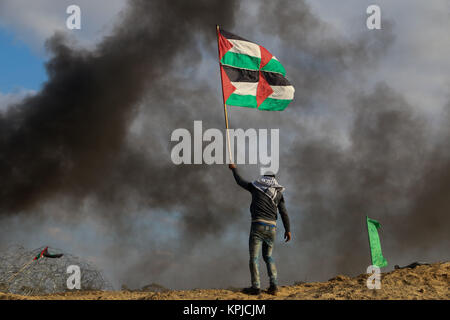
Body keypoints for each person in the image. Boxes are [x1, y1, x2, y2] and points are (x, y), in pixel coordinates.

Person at [228, 163, 291, 295]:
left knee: (254, 258)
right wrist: (288, 230)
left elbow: (240, 181)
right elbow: (284, 212)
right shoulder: (278, 193)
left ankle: (256, 287)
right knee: (268, 256)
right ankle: (274, 286)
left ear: (263, 176)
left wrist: (234, 170)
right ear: (274, 178)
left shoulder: (256, 187)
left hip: (258, 226)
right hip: (272, 228)